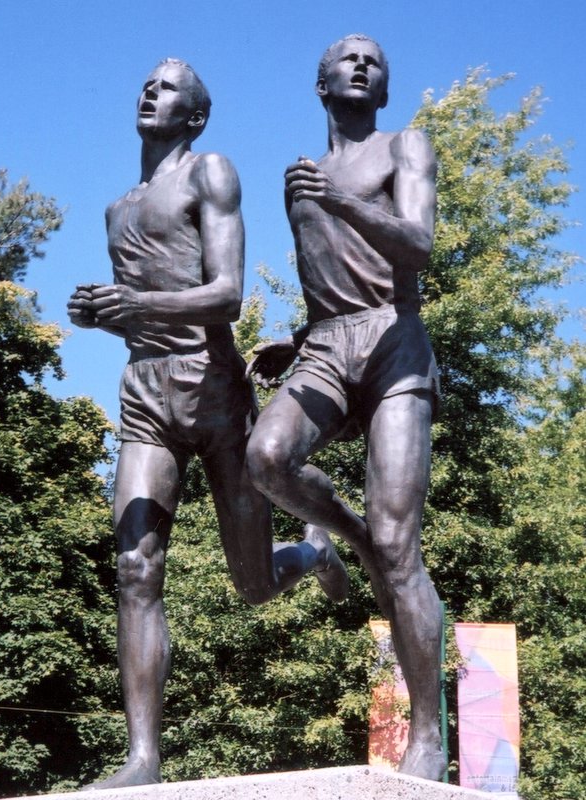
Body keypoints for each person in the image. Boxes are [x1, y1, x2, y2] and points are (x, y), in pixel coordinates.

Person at [67, 58, 348, 789]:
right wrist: (103, 318)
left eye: (167, 88)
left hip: (214, 393)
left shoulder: (209, 171)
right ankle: (142, 759)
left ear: (193, 116)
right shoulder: (117, 209)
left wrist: (137, 307)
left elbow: (224, 295)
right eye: (145, 83)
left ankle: (314, 551)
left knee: (254, 587)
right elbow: (144, 314)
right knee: (135, 569)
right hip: (144, 397)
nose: (148, 90)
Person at [245, 35, 446, 781]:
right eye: (346, 57)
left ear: (383, 88)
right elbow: (332, 276)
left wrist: (346, 200)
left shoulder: (404, 145)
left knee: (401, 551)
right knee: (266, 459)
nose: (362, 64)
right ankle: (340, 541)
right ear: (321, 82)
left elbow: (417, 245)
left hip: (396, 342)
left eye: (375, 60)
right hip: (330, 343)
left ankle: (427, 736)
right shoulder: (299, 178)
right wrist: (295, 337)